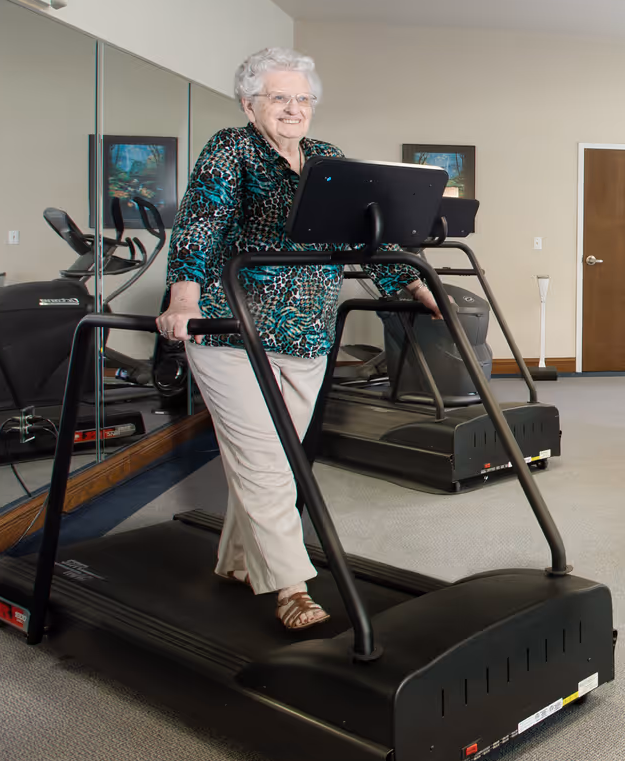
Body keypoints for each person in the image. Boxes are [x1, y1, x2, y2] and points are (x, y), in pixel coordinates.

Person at [156, 47, 445, 631]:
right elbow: (201, 223)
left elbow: (359, 239)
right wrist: (183, 297)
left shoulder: (326, 158)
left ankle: (237, 561)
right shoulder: (230, 148)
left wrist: (414, 285)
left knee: (277, 455)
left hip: (309, 333)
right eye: (280, 97)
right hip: (231, 328)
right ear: (250, 103)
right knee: (264, 461)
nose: (294, 109)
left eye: (304, 98)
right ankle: (292, 587)